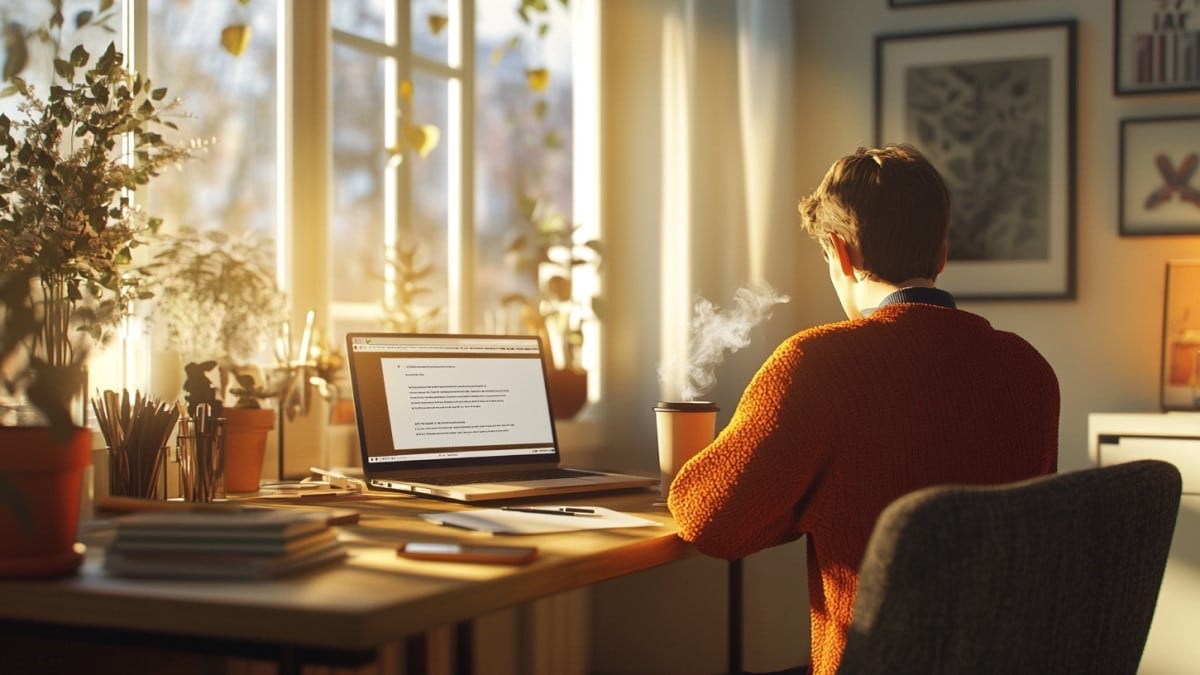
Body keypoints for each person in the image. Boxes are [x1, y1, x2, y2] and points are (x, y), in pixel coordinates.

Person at [667, 144, 1059, 675]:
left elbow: (708, 521)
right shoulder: (1028, 371)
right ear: (942, 253)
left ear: (840, 252)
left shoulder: (817, 364)